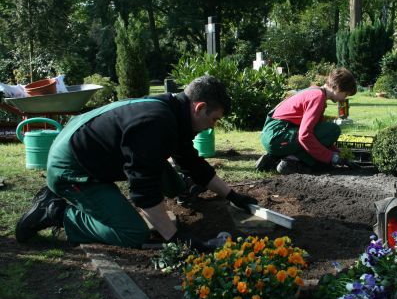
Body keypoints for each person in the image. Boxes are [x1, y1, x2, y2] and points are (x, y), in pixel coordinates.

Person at [15, 76, 257, 251]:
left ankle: (181, 191)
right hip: (72, 169)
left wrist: (233, 196)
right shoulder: (156, 123)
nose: (212, 126)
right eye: (213, 119)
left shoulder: (174, 113)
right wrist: (176, 237)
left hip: (88, 146)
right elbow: (143, 188)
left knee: (164, 171)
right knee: (133, 232)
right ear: (200, 107)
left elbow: (191, 161)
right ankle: (55, 211)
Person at [255, 67, 357, 175]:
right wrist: (331, 157)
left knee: (326, 138)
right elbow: (305, 135)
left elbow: (319, 133)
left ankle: (274, 159)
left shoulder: (314, 91)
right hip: (277, 135)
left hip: (273, 136)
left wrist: (338, 155)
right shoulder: (317, 97)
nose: (343, 99)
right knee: (333, 130)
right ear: (338, 87)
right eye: (345, 94)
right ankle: (291, 161)